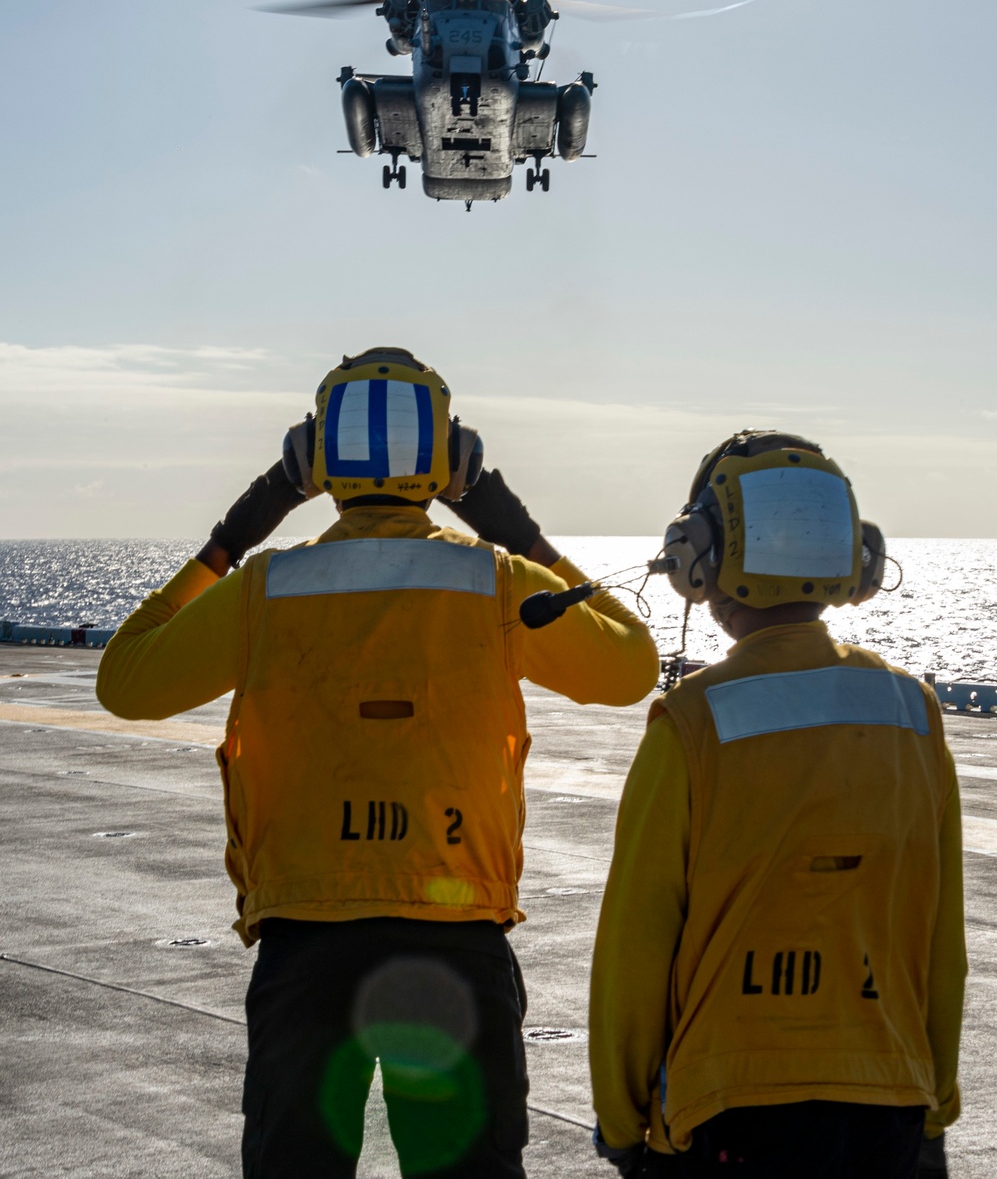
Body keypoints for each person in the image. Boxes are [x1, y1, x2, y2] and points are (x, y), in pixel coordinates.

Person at [96, 346, 659, 1179]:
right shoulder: (498, 583)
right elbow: (631, 666)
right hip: (455, 933)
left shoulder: (264, 587)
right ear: (453, 458)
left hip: (306, 939)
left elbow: (124, 683)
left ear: (313, 462)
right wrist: (522, 534)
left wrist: (231, 537)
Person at [589, 430, 965, 1179]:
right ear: (854, 559)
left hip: (727, 1110)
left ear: (698, 557)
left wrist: (622, 1117)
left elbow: (637, 940)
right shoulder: (913, 712)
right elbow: (938, 937)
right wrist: (934, 1101)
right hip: (887, 1096)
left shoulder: (692, 722)